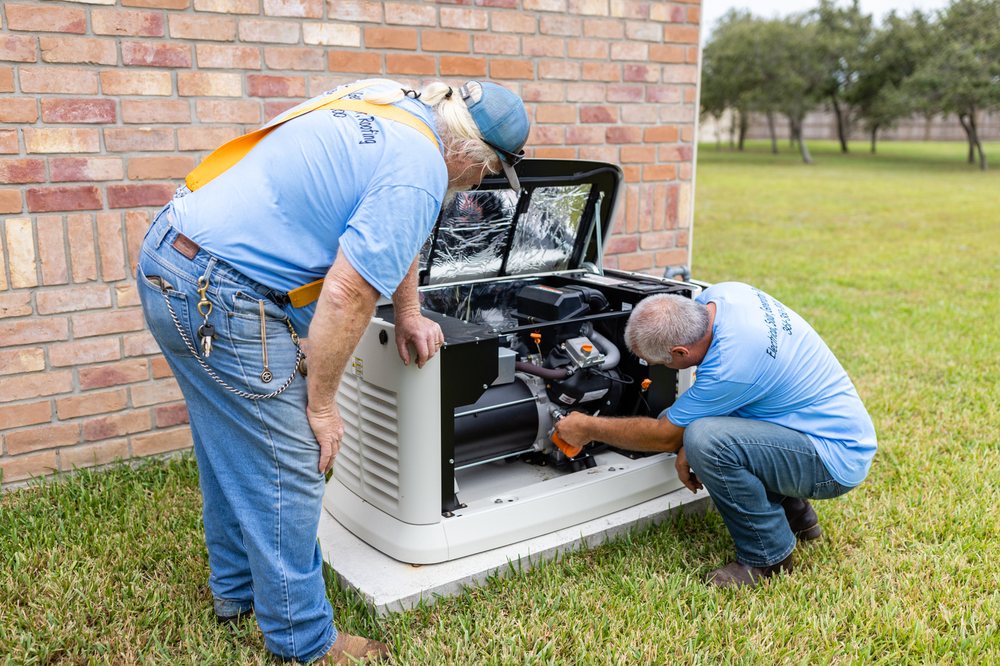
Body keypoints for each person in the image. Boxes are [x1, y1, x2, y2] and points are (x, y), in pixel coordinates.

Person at [136, 79, 529, 663]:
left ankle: (237, 592)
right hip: (219, 289)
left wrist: (410, 311)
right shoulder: (420, 171)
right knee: (290, 461)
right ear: (472, 155)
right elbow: (347, 292)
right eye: (489, 173)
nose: (480, 184)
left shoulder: (391, 103)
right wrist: (320, 406)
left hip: (172, 257)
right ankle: (305, 643)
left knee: (231, 443)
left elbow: (389, 231)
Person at [555, 282, 877, 589]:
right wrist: (683, 441)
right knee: (699, 433)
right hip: (826, 430)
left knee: (704, 440)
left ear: (680, 352)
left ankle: (767, 557)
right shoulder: (722, 296)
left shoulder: (729, 366)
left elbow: (664, 436)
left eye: (662, 363)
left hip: (834, 461)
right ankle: (797, 514)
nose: (663, 368)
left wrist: (586, 427)